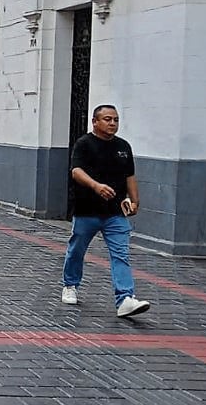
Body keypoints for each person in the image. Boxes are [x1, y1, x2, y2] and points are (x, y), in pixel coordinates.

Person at [61, 104, 150, 318]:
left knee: (121, 254)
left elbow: (130, 176)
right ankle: (70, 285)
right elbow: (76, 171)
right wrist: (96, 186)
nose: (112, 123)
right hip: (87, 211)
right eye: (107, 119)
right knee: (77, 250)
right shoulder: (84, 144)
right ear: (95, 121)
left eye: (116, 120)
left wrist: (135, 201)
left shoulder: (123, 147)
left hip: (115, 213)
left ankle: (125, 299)